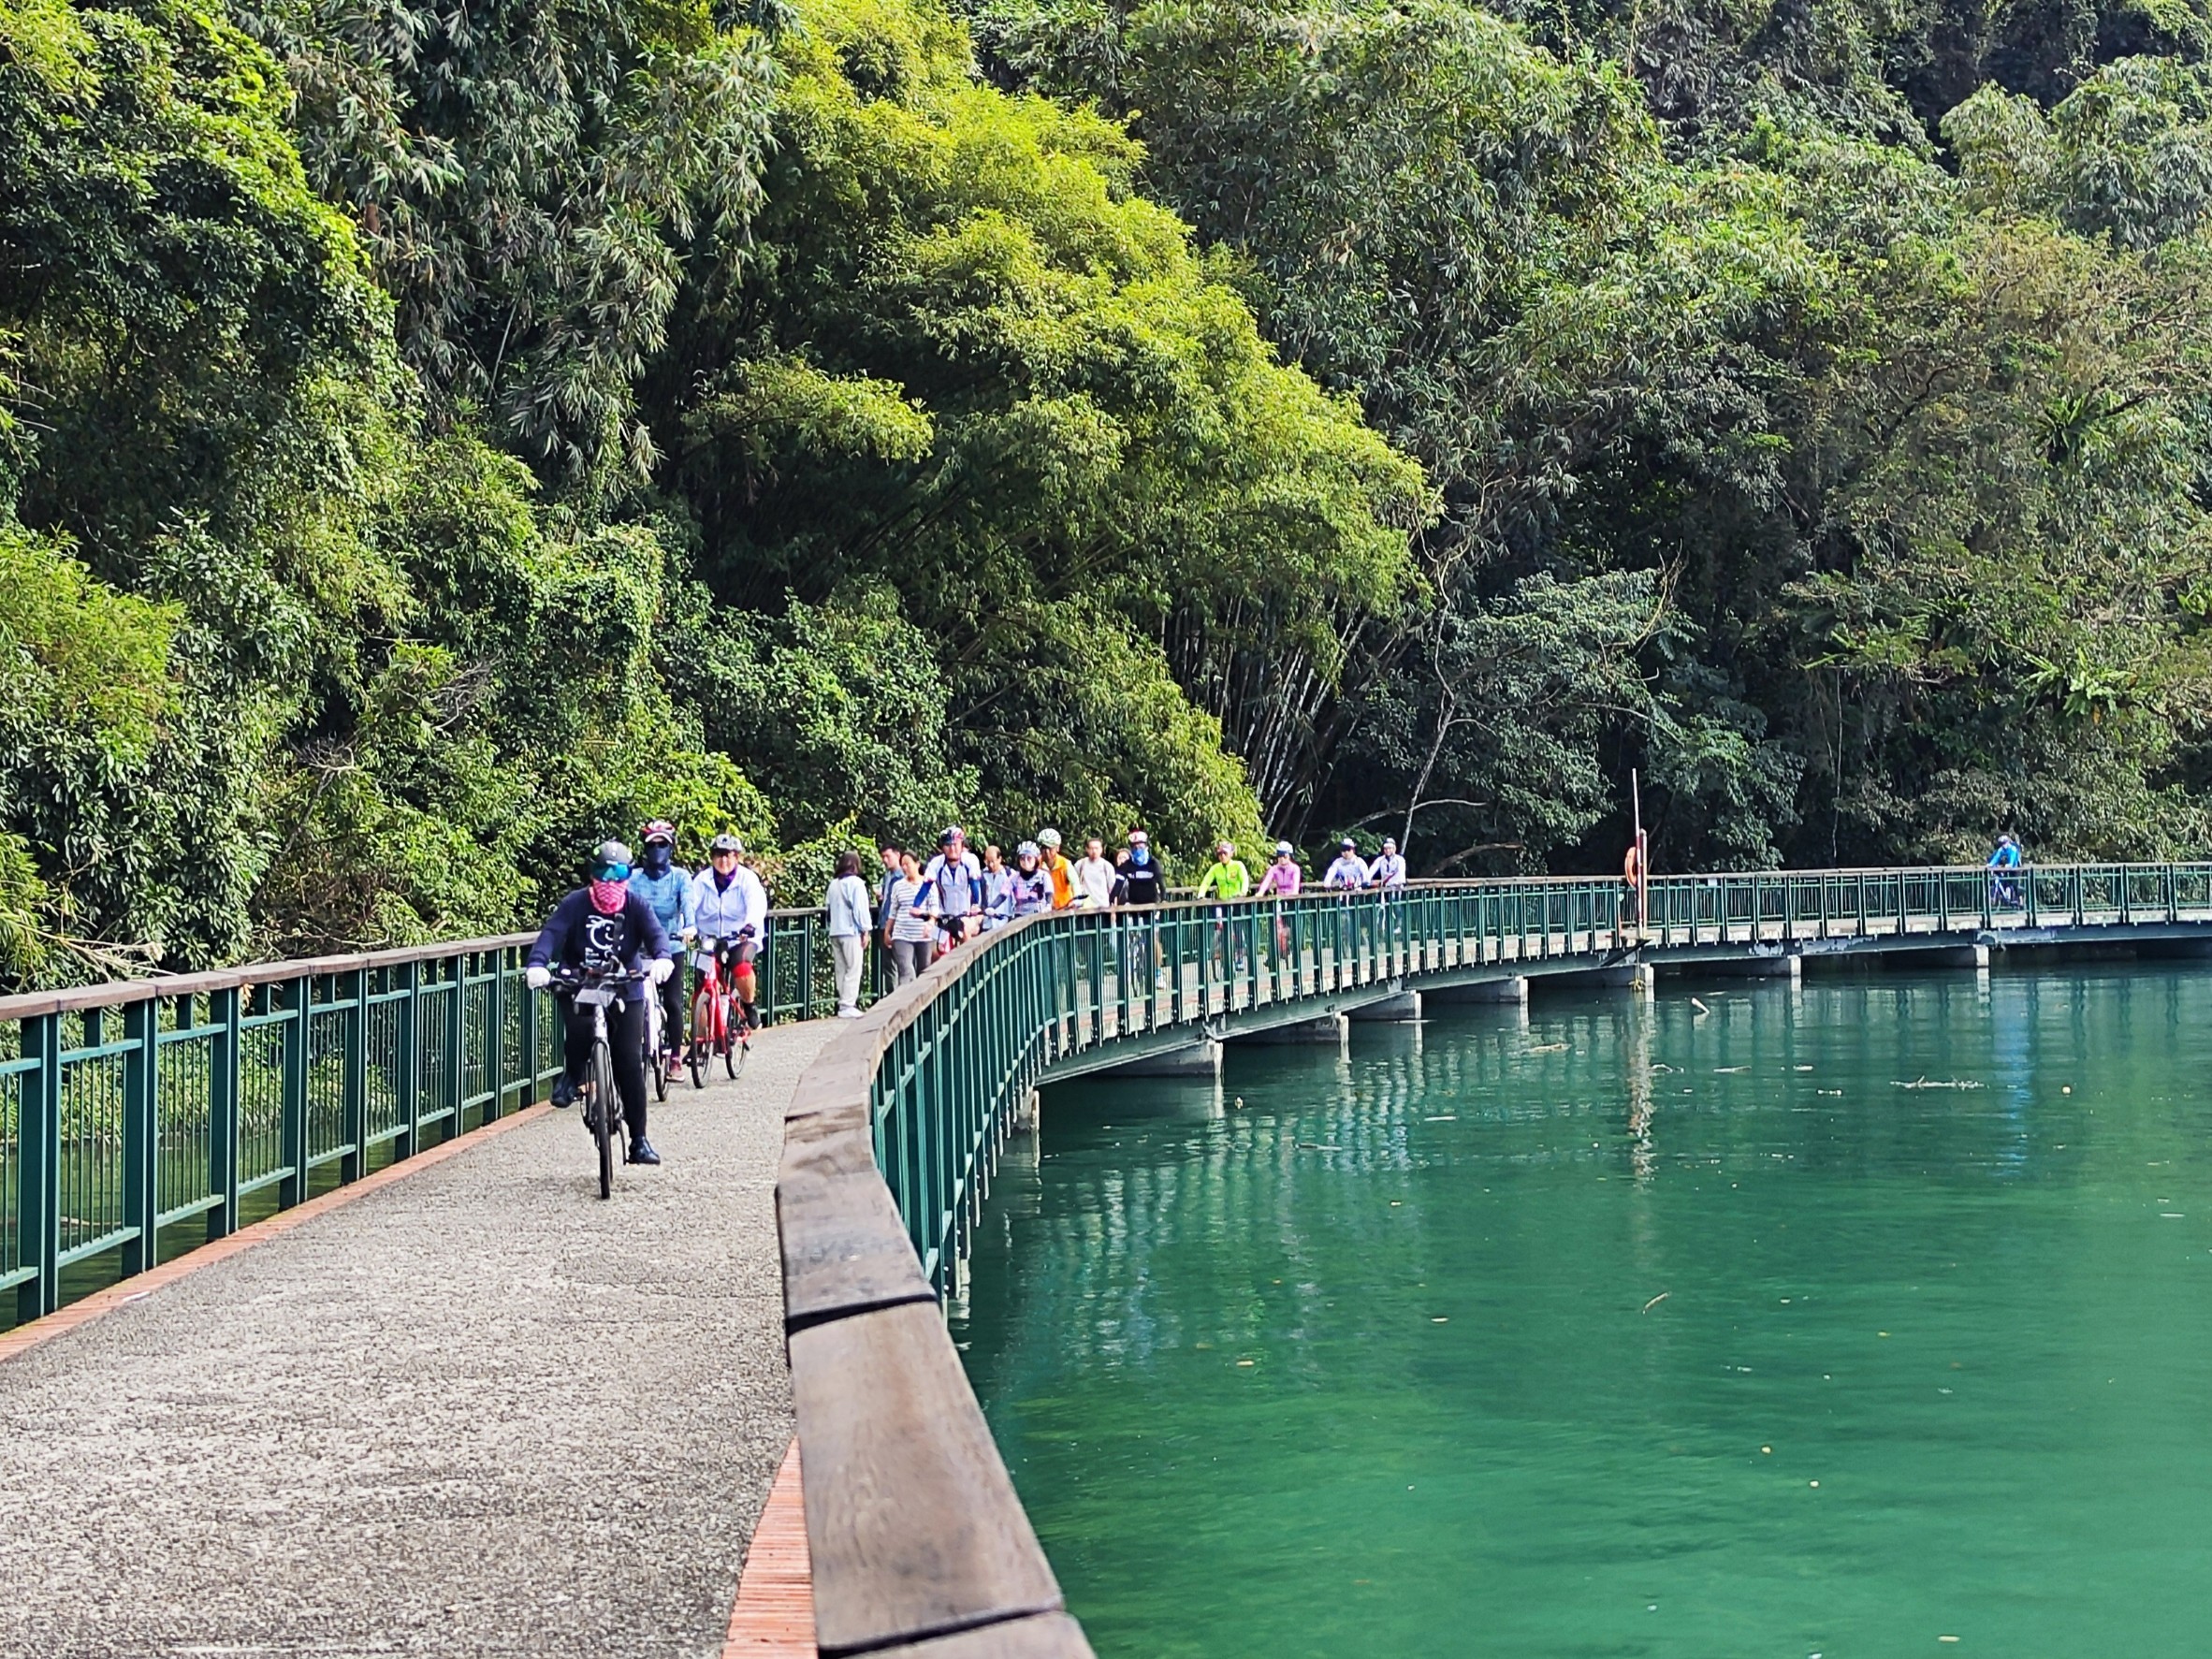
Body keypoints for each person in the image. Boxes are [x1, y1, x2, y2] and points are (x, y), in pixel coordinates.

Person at [525, 841, 675, 1165]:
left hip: (624, 984)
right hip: (580, 980)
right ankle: (572, 1075)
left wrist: (662, 958)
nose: (610, 881)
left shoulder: (636, 905)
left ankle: (639, 1140)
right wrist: (538, 963)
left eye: (618, 873)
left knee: (629, 1063)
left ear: (628, 875)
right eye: (603, 873)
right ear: (591, 874)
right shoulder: (575, 903)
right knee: (578, 1028)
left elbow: (656, 935)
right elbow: (551, 934)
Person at [626, 820, 694, 1079]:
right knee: (628, 999)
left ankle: (675, 1058)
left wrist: (690, 926)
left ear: (671, 847)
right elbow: (622, 904)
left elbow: (687, 903)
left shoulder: (680, 877)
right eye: (652, 845)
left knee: (673, 1002)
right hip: (638, 948)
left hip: (671, 945)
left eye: (662, 844)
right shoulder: (634, 878)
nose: (657, 849)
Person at [689, 833, 770, 1035]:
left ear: (736, 857)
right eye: (718, 855)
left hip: (740, 938)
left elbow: (756, 905)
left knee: (741, 967)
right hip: (710, 940)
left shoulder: (747, 879)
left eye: (729, 855)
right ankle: (701, 1038)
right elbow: (689, 905)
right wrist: (687, 927)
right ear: (712, 857)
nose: (723, 860)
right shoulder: (702, 880)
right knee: (701, 984)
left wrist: (750, 925)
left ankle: (749, 1004)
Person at [1113, 829, 1169, 987]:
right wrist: (1112, 903)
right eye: (1135, 847)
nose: (1139, 849)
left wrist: (1162, 902)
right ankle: (1128, 971)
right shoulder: (1127, 865)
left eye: (1141, 846)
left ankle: (1158, 973)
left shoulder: (1153, 863)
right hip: (1133, 904)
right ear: (1131, 849)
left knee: (1153, 939)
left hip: (1151, 905)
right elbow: (1117, 886)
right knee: (1128, 935)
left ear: (1146, 846)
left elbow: (1162, 886)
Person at [826, 851, 874, 1017]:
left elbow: (828, 907)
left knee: (841, 968)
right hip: (850, 931)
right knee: (854, 967)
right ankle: (848, 1004)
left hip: (835, 931)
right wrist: (865, 930)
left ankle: (842, 1001)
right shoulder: (857, 884)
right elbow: (860, 909)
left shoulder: (833, 884)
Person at [1193, 839, 1252, 974]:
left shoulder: (1238, 866)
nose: (1222, 856)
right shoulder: (1216, 868)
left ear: (1231, 853)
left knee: (1237, 926)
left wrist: (1243, 892)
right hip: (1222, 901)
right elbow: (1206, 881)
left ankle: (1239, 957)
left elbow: (1244, 881)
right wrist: (1201, 894)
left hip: (1237, 901)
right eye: (1220, 854)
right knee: (1220, 924)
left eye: (1225, 853)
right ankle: (1221, 950)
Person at [924, 826, 984, 953]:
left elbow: (976, 888)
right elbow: (927, 890)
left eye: (955, 845)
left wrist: (975, 906)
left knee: (966, 937)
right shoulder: (936, 864)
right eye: (948, 845)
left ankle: (970, 968)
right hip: (944, 917)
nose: (952, 849)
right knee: (937, 950)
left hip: (966, 914)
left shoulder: (970, 860)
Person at [880, 850, 936, 984]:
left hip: (923, 935)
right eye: (902, 865)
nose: (905, 868)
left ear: (917, 864)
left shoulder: (928, 885)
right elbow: (893, 911)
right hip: (902, 934)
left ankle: (923, 1002)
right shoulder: (898, 886)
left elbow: (934, 908)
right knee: (906, 970)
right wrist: (888, 931)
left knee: (924, 970)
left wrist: (931, 922)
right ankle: (904, 1002)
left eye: (908, 864)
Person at [1004, 842, 1053, 921]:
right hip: (1020, 916)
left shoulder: (1043, 876)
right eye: (1022, 858)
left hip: (1039, 915)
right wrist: (992, 907)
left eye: (1029, 858)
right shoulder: (1014, 877)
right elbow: (1003, 894)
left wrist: (1048, 905)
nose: (1025, 862)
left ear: (1035, 859)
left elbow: (1049, 893)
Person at [1071, 836, 1116, 910]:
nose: (1094, 851)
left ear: (1101, 849)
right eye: (1091, 848)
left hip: (1103, 906)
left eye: (1096, 848)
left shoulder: (1107, 866)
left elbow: (1112, 889)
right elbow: (1073, 883)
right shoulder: (1080, 864)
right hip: (1085, 907)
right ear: (1087, 849)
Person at [1037, 828, 1076, 910]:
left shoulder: (1065, 864)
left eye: (1051, 848)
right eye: (1044, 848)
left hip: (1065, 908)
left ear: (1057, 848)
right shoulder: (1036, 864)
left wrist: (1076, 901)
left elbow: (1075, 884)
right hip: (1044, 910)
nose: (1047, 852)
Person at [978, 843, 1011, 932]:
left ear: (1000, 859)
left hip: (1004, 922)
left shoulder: (1009, 874)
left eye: (993, 861)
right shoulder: (981, 875)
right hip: (987, 923)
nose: (991, 865)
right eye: (987, 861)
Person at [1988, 832, 2023, 908]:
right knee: (2002, 880)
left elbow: (2012, 861)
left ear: (2008, 842)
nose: (2003, 845)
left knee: (2015, 884)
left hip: (2015, 868)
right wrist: (1990, 865)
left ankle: (2019, 899)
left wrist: (2007, 866)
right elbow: (1995, 859)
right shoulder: (2001, 850)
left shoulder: (2012, 849)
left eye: (2004, 843)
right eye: (2001, 843)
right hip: (2005, 868)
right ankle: (2003, 897)